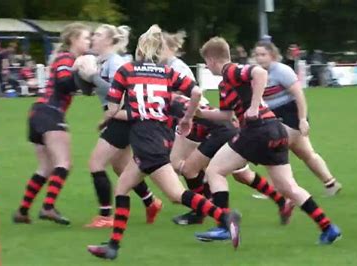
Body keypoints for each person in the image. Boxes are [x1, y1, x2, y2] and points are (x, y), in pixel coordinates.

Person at [87, 25, 241, 260]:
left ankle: (225, 217)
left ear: (139, 47)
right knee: (122, 187)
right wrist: (188, 117)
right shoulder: (167, 72)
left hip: (145, 138)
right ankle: (113, 247)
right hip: (162, 134)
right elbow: (197, 92)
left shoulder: (126, 71)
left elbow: (112, 109)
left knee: (175, 194)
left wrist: (129, 110)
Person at [194, 37, 341, 245]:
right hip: (275, 130)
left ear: (212, 60)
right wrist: (199, 114)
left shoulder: (230, 71)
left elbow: (260, 73)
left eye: (206, 63)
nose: (207, 68)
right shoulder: (225, 84)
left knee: (214, 171)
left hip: (257, 131)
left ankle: (224, 226)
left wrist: (254, 106)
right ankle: (328, 227)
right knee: (289, 187)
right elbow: (226, 115)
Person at [161, 32, 294, 226]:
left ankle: (206, 212)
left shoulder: (174, 68)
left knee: (191, 169)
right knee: (239, 174)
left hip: (209, 126)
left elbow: (194, 94)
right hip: (212, 123)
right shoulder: (163, 68)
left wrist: (192, 115)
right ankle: (280, 201)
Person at [13, 23, 96, 225]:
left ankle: (22, 211)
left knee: (45, 167)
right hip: (50, 113)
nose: (89, 41)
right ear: (73, 39)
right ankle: (48, 207)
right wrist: (82, 73)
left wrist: (87, 78)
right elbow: (65, 82)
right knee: (64, 163)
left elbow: (79, 87)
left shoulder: (67, 59)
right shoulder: (66, 58)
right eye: (85, 38)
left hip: (38, 113)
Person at [85, 24, 162, 228]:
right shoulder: (104, 62)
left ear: (109, 41)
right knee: (121, 167)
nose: (94, 38)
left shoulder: (116, 62)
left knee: (95, 164)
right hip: (121, 117)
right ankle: (151, 202)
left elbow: (119, 91)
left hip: (123, 118)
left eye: (98, 35)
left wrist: (92, 78)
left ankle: (104, 215)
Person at [254, 41, 342, 196]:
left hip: (291, 114)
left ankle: (275, 189)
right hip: (274, 116)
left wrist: (302, 119)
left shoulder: (282, 71)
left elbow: (299, 94)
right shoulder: (257, 73)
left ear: (272, 55)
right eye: (257, 55)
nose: (259, 58)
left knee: (271, 147)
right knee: (306, 153)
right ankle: (331, 183)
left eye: (263, 54)